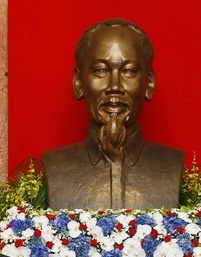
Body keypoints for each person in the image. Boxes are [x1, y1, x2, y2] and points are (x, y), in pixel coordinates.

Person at [42, 18, 185, 211]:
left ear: (148, 83)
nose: (115, 87)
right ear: (78, 83)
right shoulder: (55, 167)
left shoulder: (172, 166)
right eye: (101, 71)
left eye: (128, 71)